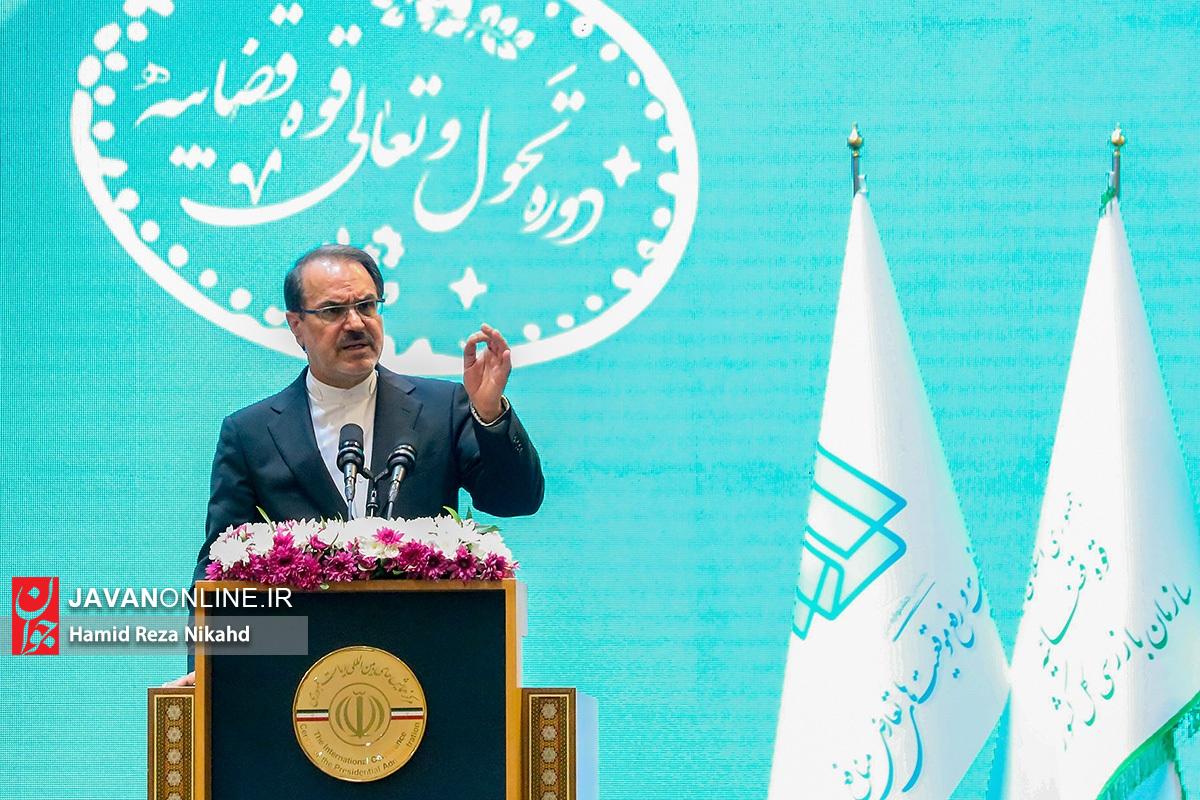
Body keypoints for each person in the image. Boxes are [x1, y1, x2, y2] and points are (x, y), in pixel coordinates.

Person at [166, 244, 543, 686]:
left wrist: (490, 413)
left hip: (427, 662)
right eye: (333, 311)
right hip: (299, 674)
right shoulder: (250, 432)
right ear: (296, 326)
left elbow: (516, 499)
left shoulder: (442, 408)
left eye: (366, 306)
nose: (356, 323)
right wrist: (205, 670)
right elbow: (217, 564)